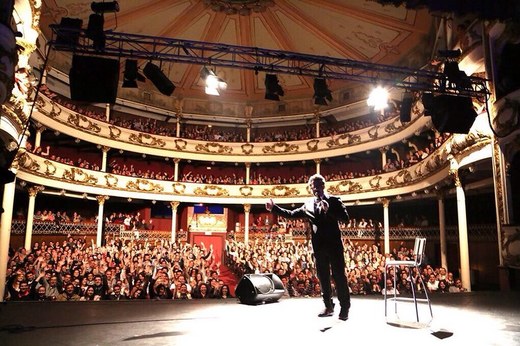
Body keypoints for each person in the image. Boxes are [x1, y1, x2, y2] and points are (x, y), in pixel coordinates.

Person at [266, 173, 350, 321]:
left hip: (334, 246)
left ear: (323, 185)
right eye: (313, 187)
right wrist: (274, 208)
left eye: (318, 186)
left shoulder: (334, 201)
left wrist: (329, 210)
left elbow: (345, 219)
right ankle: (328, 306)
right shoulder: (308, 204)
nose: (315, 189)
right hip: (319, 247)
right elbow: (291, 214)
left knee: (339, 277)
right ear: (310, 188)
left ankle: (344, 308)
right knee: (323, 277)